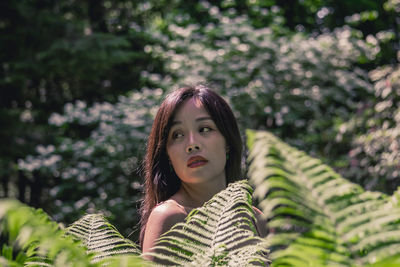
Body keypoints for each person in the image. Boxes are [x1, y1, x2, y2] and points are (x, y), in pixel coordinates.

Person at [139, 85, 266, 257]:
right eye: (177, 135)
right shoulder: (168, 217)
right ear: (167, 154)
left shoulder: (257, 221)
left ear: (227, 142)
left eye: (205, 129)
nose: (192, 144)